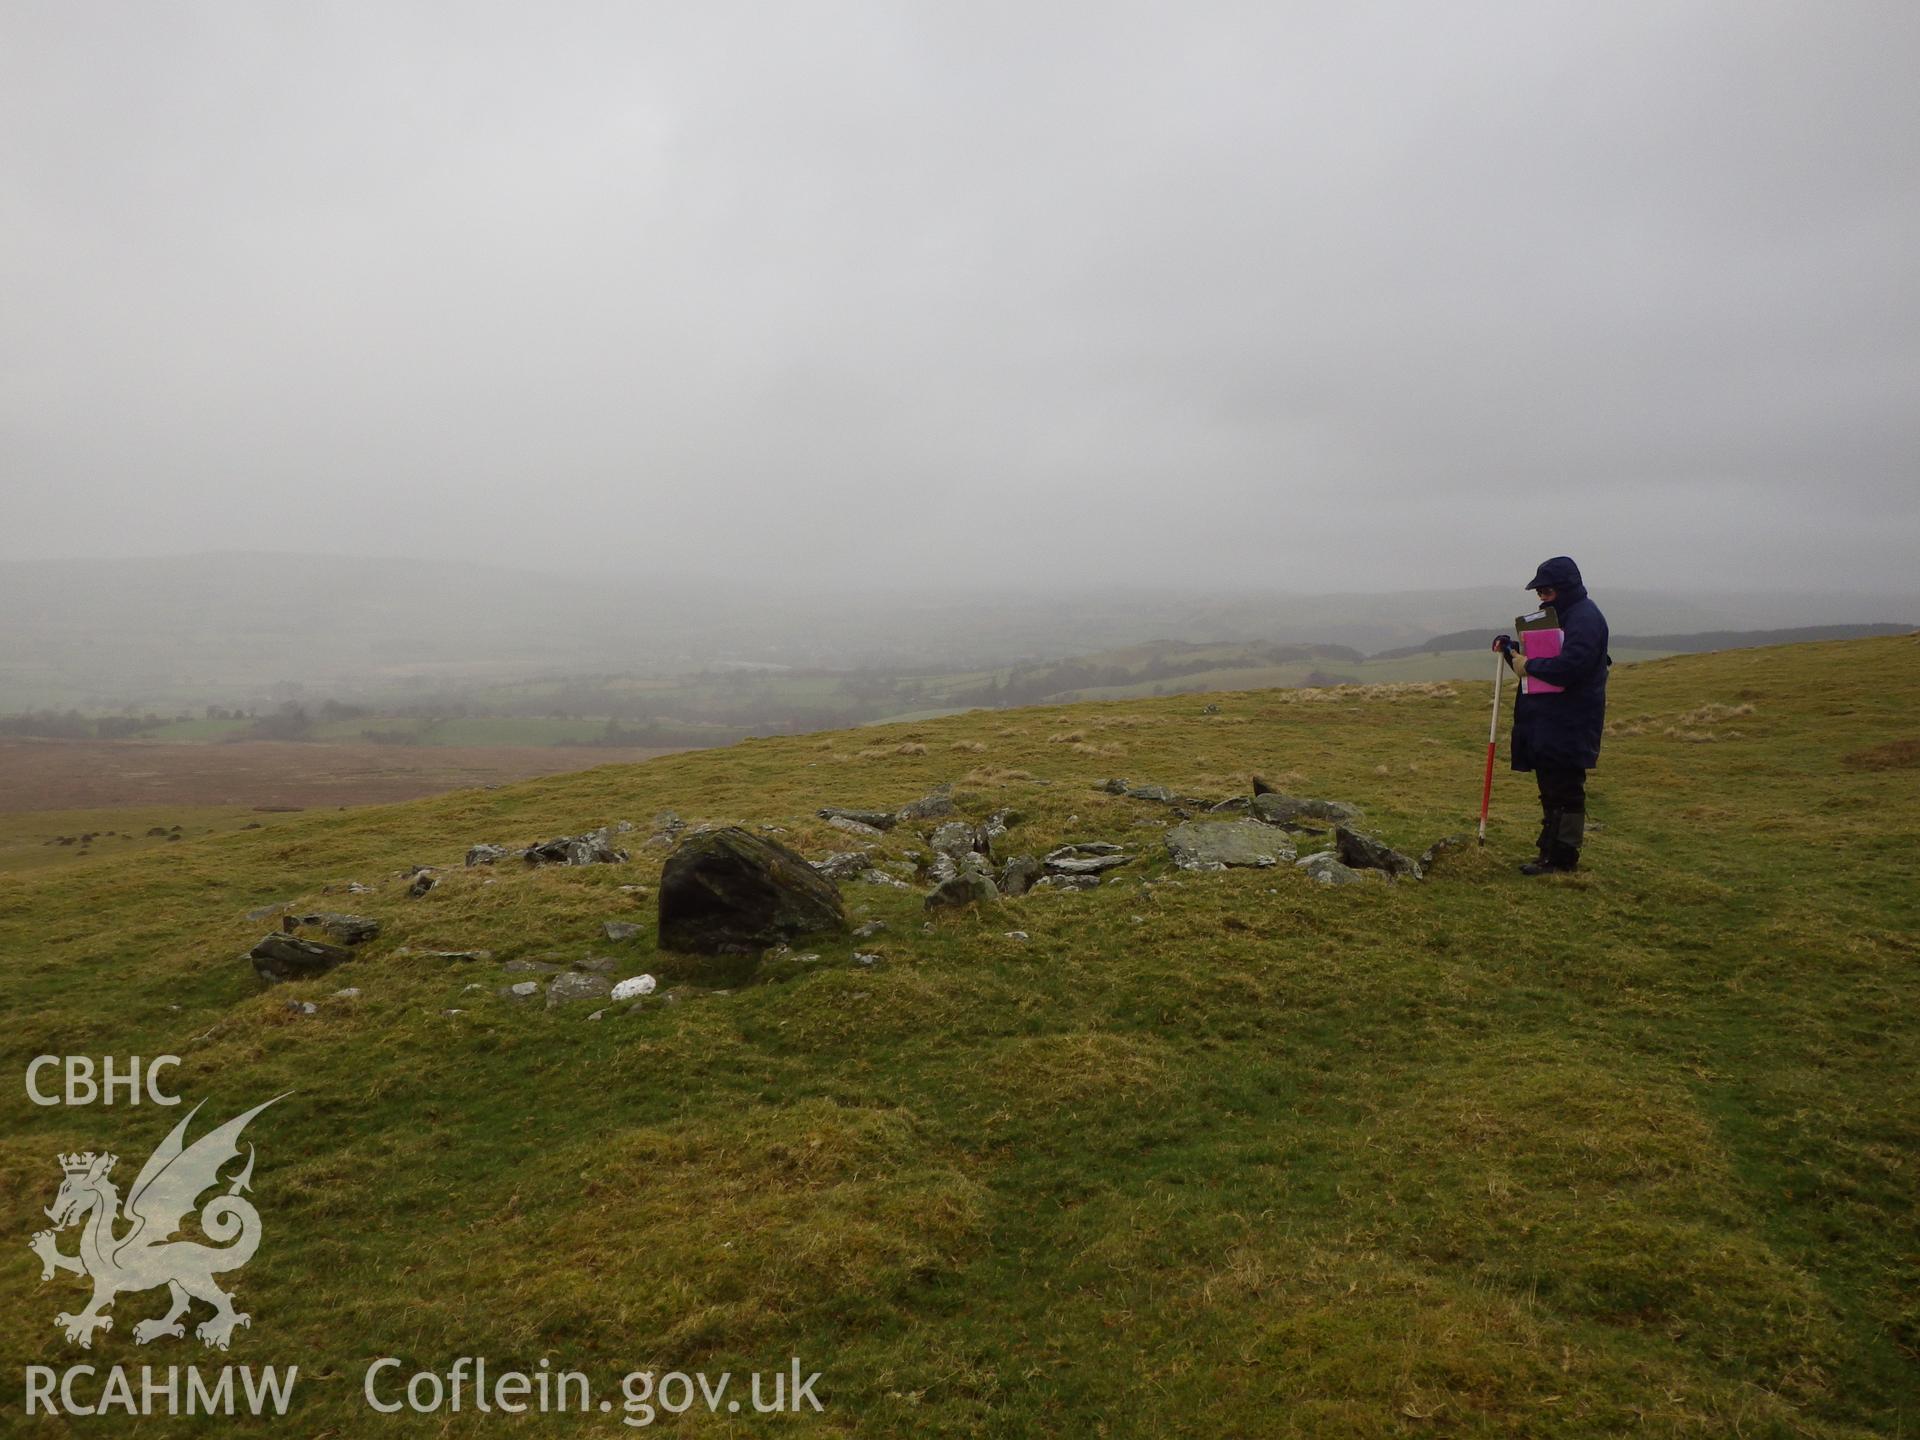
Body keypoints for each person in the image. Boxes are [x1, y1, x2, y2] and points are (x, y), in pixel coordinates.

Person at [1498, 556, 1610, 874]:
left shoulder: (1584, 618)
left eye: (1546, 591)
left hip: (1569, 721)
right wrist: (1513, 652)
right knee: (1551, 788)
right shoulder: (1564, 617)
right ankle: (1550, 853)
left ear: (1564, 588)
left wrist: (1527, 665)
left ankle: (1561, 859)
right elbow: (1548, 657)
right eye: (1539, 592)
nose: (1541, 598)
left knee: (1564, 789)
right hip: (1553, 720)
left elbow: (1568, 667)